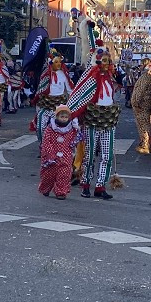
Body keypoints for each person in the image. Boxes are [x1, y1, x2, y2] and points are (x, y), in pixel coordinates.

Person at [68, 46, 122, 199]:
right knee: (89, 155)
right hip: (92, 122)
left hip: (108, 122)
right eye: (104, 61)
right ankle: (85, 184)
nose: (107, 63)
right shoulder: (90, 79)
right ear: (97, 62)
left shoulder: (110, 80)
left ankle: (100, 186)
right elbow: (80, 97)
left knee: (107, 155)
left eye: (108, 61)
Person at [33, 49, 75, 144]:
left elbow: (70, 90)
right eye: (56, 62)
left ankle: (56, 148)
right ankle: (43, 146)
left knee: (58, 128)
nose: (59, 64)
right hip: (45, 105)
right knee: (40, 126)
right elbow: (40, 89)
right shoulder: (45, 75)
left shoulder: (64, 75)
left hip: (58, 106)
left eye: (60, 62)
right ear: (51, 63)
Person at [38, 104, 79, 199]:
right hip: (51, 155)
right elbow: (46, 141)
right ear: (57, 116)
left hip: (65, 154)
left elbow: (75, 139)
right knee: (48, 174)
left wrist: (77, 129)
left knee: (64, 174)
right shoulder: (50, 128)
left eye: (66, 117)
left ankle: (61, 191)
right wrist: (50, 154)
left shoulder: (71, 128)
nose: (64, 119)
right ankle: (46, 188)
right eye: (62, 117)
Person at [129, 58, 151, 154]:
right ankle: (147, 143)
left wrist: (135, 102)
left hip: (142, 104)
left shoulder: (145, 77)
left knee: (143, 125)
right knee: (148, 124)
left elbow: (139, 91)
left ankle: (145, 145)